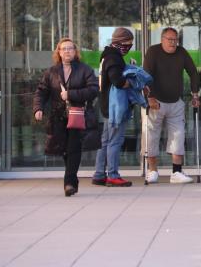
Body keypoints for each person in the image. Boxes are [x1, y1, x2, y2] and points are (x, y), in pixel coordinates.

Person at [33, 38, 98, 197]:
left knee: (73, 148)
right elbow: (41, 91)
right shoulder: (51, 72)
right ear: (59, 53)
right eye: (64, 49)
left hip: (77, 114)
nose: (67, 51)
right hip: (58, 116)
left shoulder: (85, 69)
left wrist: (71, 94)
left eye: (70, 48)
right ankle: (72, 180)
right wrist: (38, 108)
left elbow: (93, 89)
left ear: (75, 52)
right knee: (63, 149)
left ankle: (68, 183)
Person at [143, 27, 200, 184]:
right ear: (162, 39)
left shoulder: (181, 53)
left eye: (175, 40)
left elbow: (193, 72)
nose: (173, 43)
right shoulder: (153, 52)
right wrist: (150, 97)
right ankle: (152, 170)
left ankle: (176, 172)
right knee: (152, 136)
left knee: (178, 136)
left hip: (175, 101)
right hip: (156, 102)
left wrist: (195, 94)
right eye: (170, 39)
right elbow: (145, 76)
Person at [92, 27, 136, 187]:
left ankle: (98, 174)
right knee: (114, 141)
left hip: (106, 105)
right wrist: (132, 82)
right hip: (115, 108)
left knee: (105, 141)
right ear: (119, 42)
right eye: (127, 43)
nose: (128, 47)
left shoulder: (106, 56)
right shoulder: (114, 58)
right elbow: (117, 81)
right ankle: (112, 174)